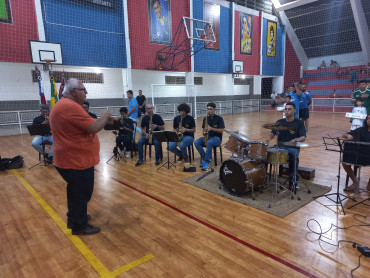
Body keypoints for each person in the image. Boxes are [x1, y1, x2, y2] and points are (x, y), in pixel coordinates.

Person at [49, 78, 115, 235]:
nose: (86, 93)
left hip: (70, 159)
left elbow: (87, 123)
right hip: (75, 161)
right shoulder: (70, 107)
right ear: (73, 92)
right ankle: (79, 225)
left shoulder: (65, 105)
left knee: (75, 191)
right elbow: (93, 127)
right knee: (81, 193)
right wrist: (105, 116)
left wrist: (104, 120)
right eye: (83, 90)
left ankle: (75, 217)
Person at [266, 102, 306, 189]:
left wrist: (295, 140)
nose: (287, 111)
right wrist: (269, 137)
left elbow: (303, 137)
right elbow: (272, 133)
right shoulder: (279, 122)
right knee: (264, 153)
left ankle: (293, 182)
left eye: (289, 109)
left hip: (292, 147)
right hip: (279, 146)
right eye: (286, 109)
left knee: (293, 156)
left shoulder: (299, 123)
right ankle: (263, 178)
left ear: (294, 110)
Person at [342, 115, 370, 192]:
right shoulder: (361, 130)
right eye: (368, 118)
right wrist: (348, 136)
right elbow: (345, 135)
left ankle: (369, 185)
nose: (369, 120)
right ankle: (355, 182)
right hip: (359, 155)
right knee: (345, 163)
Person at [194, 103, 225, 171]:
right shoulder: (205, 118)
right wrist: (204, 131)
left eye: (210, 109)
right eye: (208, 109)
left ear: (214, 109)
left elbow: (221, 131)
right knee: (196, 142)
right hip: (208, 137)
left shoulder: (219, 118)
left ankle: (207, 162)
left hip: (217, 138)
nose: (209, 111)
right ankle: (206, 158)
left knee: (209, 143)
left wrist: (211, 128)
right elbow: (203, 131)